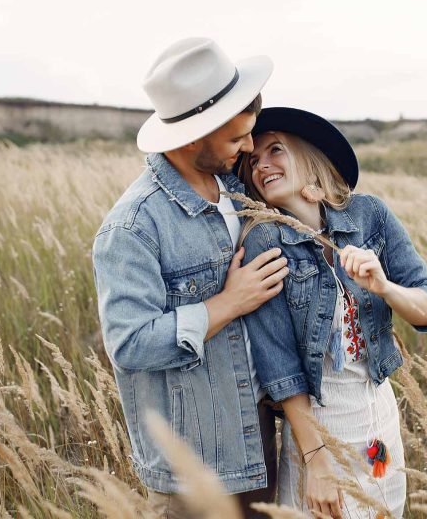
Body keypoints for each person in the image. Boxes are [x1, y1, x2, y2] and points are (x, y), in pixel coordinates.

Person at [92, 38, 290, 518]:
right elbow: (130, 344)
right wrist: (229, 302)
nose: (248, 146)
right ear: (190, 138)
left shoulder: (236, 191)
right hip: (194, 463)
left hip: (257, 436)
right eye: (236, 138)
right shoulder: (133, 226)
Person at [237, 108, 427, 518]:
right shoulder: (265, 241)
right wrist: (317, 462)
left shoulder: (370, 216)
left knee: (383, 510)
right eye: (253, 160)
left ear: (308, 157)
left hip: (378, 420)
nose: (261, 164)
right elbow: (280, 369)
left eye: (274, 150)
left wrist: (384, 287)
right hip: (320, 427)